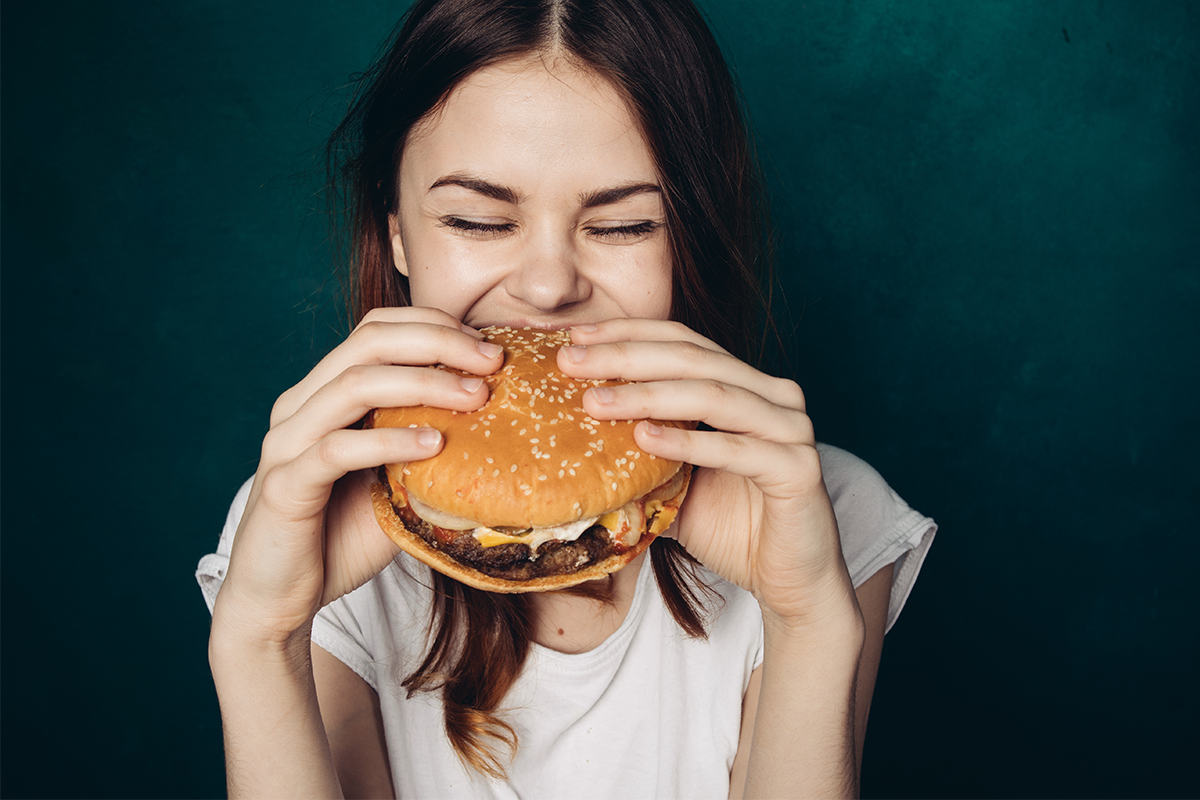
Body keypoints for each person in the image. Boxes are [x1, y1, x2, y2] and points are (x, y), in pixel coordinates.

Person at [196, 0, 937, 797]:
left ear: (691, 237)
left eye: (623, 227)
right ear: (398, 231)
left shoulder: (823, 510)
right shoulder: (308, 520)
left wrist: (810, 623)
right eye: (478, 220)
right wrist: (261, 640)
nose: (548, 289)